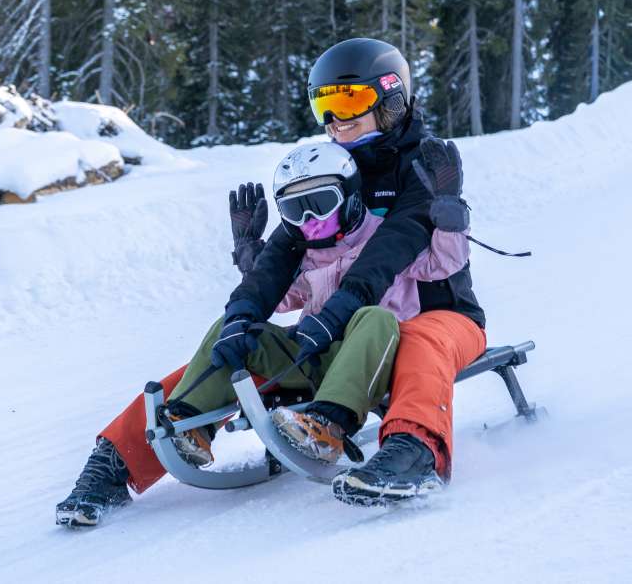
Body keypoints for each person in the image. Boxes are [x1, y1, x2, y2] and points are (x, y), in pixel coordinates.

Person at [55, 39, 487, 526]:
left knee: (415, 341)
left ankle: (412, 453)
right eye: (324, 105)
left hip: (435, 313)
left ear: (390, 98)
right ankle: (119, 458)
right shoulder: (328, 169)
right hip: (347, 326)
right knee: (236, 346)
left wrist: (332, 314)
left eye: (348, 102)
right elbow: (284, 255)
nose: (335, 120)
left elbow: (390, 251)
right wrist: (246, 304)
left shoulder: (424, 167)